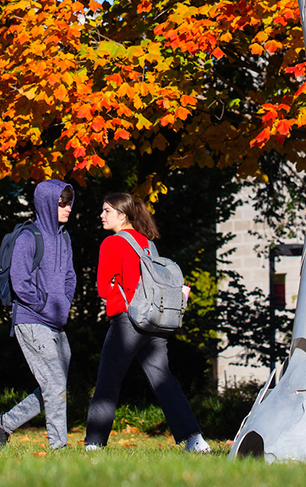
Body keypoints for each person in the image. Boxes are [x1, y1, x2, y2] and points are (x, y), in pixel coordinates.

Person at [83, 192, 210, 453]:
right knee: (164, 380)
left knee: (108, 381)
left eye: (107, 211)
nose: (102, 215)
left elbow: (103, 289)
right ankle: (194, 439)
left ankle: (94, 443)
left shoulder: (112, 243)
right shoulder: (148, 244)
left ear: (122, 215)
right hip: (155, 320)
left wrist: (117, 292)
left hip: (127, 321)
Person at [0, 181, 77, 451]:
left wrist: (65, 303)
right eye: (62, 203)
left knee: (53, 386)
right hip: (32, 320)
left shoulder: (64, 237)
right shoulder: (28, 237)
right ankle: (58, 448)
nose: (68, 208)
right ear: (48, 204)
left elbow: (70, 276)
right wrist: (45, 305)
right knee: (55, 384)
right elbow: (20, 282)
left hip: (57, 322)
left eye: (70, 202)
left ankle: (2, 425)